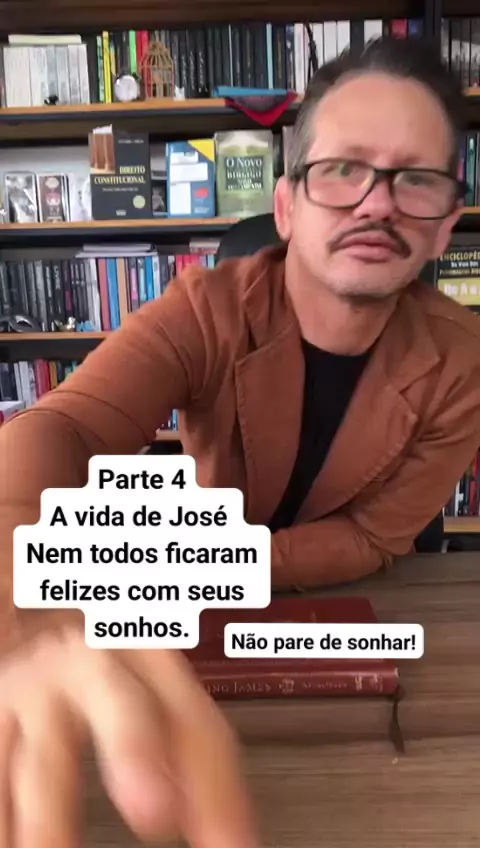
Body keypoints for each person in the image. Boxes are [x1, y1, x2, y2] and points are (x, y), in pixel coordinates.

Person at [1, 35, 480, 846]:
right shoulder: (205, 307)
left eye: (416, 179)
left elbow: (375, 537)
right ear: (287, 208)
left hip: (356, 621)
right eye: (343, 169)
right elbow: (62, 426)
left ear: (445, 229)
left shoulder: (464, 361)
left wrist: (193, 563)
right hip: (188, 628)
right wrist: (28, 596)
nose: (377, 203)